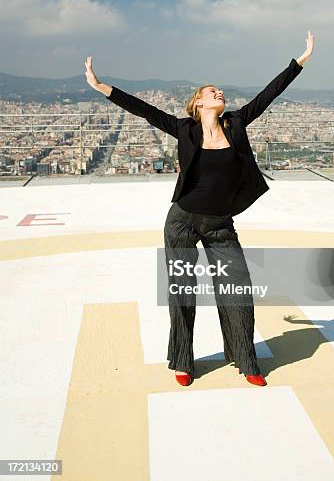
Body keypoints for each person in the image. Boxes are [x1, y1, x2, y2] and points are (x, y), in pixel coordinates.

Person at [85, 30, 314, 387]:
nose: (218, 93)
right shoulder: (185, 130)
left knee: (237, 290)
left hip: (221, 224)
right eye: (211, 92)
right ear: (198, 104)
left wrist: (299, 62)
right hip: (182, 222)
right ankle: (183, 361)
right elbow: (145, 110)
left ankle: (245, 358)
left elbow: (268, 95)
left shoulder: (236, 123)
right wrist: (102, 87)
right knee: (182, 292)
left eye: (219, 91)